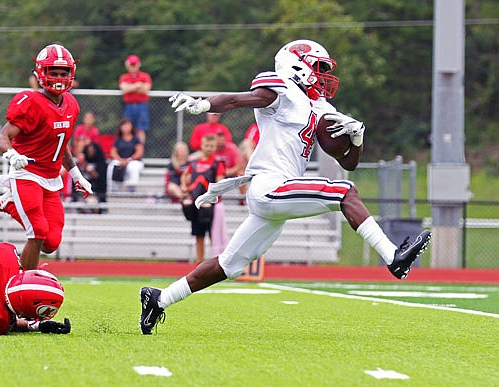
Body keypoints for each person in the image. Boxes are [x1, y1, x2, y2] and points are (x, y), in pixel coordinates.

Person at [138, 39, 432, 335]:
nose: (323, 74)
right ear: (297, 64)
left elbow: (349, 162)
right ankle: (393, 257)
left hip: (277, 194)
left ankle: (159, 299)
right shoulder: (283, 90)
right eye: (319, 66)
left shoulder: (318, 106)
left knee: (231, 264)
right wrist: (204, 104)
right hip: (270, 184)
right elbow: (236, 100)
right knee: (344, 192)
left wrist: (357, 138)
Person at [0, 43, 93, 270]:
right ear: (42, 72)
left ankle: (7, 204)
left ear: (71, 74)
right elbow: (2, 137)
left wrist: (77, 175)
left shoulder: (71, 104)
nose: (59, 77)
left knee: (51, 243)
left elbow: (61, 145)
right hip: (27, 174)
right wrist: (12, 155)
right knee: (38, 232)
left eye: (64, 73)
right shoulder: (30, 102)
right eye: (54, 72)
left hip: (51, 179)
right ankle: (25, 284)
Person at [180, 134, 225, 263]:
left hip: (212, 205)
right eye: (207, 145)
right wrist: (184, 186)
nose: (209, 148)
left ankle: (214, 263)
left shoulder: (217, 163)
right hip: (197, 203)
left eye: (212, 146)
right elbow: (185, 175)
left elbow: (220, 179)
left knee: (214, 236)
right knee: (199, 236)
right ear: (201, 146)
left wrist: (217, 187)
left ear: (216, 147)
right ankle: (199, 263)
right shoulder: (194, 163)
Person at [118, 54, 152, 145]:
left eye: (134, 65)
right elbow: (124, 89)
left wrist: (131, 87)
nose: (133, 67)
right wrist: (138, 85)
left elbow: (145, 89)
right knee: (127, 129)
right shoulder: (124, 77)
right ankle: (128, 150)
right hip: (128, 106)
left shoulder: (145, 76)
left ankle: (139, 152)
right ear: (127, 65)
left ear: (138, 65)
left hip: (142, 105)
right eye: (131, 65)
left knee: (140, 129)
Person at [107, 118, 144, 192]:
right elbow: (113, 152)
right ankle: (113, 188)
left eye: (127, 125)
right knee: (112, 166)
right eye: (123, 125)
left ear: (132, 127)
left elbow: (139, 152)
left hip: (133, 161)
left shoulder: (136, 139)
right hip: (120, 160)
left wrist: (129, 160)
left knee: (133, 167)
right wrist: (120, 160)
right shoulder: (118, 139)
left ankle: (131, 189)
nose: (125, 127)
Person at [75, 142, 107, 213]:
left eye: (92, 150)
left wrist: (91, 171)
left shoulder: (101, 164)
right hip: (81, 192)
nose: (90, 152)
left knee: (92, 203)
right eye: (89, 150)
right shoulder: (80, 164)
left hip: (94, 192)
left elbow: (100, 180)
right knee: (80, 204)